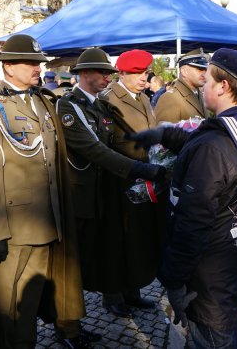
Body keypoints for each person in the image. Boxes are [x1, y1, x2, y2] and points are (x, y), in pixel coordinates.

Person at [128, 48, 237, 348]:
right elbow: (212, 143)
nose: (203, 84)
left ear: (223, 86)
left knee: (213, 336)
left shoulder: (215, 145)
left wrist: (174, 280)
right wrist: (166, 135)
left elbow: (192, 221)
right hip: (229, 255)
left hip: (207, 270)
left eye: (208, 79)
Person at [0, 33, 84, 348]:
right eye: (30, 63)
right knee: (6, 309)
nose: (38, 68)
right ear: (8, 67)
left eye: (39, 62)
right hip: (12, 230)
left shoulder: (43, 102)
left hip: (45, 224)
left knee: (28, 307)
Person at [55, 48, 165, 346]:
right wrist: (141, 168)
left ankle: (73, 326)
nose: (108, 77)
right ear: (84, 74)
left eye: (110, 72)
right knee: (74, 266)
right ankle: (68, 327)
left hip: (104, 191)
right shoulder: (69, 106)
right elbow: (95, 149)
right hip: (83, 197)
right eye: (103, 72)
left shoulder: (99, 106)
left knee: (93, 258)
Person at [99, 49, 163, 317]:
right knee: (116, 242)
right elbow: (103, 146)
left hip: (142, 181)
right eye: (137, 73)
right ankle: (112, 295)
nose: (143, 78)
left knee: (137, 239)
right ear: (121, 74)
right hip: (117, 182)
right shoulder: (109, 99)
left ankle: (132, 291)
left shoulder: (144, 99)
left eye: (145, 73)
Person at [154, 49, 208, 123]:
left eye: (205, 69)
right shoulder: (170, 98)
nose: (204, 73)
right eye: (199, 69)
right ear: (184, 71)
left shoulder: (200, 94)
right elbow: (166, 133)